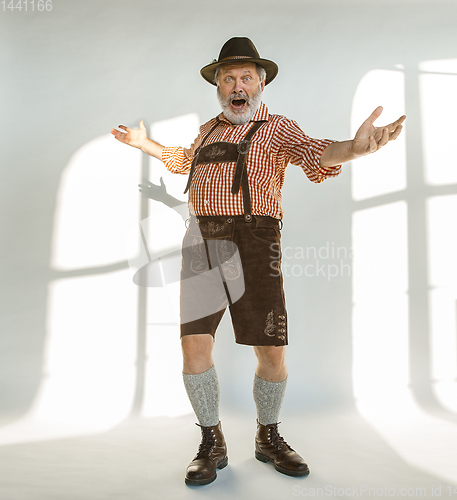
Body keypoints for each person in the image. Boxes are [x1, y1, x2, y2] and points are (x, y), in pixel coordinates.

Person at [111, 37, 405, 486]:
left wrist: (356, 148)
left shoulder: (277, 127)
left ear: (260, 82)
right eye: (228, 77)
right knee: (194, 345)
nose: (237, 84)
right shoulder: (208, 130)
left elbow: (317, 153)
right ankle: (212, 441)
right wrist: (143, 143)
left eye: (245, 76)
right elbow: (183, 161)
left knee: (271, 350)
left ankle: (268, 436)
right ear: (218, 86)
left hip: (255, 242)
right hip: (203, 243)